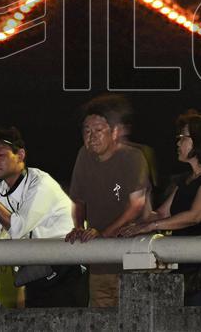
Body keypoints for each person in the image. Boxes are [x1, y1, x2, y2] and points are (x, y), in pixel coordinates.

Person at [122, 111, 201, 306]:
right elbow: (160, 214)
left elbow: (195, 216)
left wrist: (151, 226)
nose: (178, 142)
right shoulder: (186, 178)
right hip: (183, 263)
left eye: (183, 137)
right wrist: (144, 188)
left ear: (200, 141)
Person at [0, 127, 87, 306]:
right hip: (37, 270)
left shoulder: (40, 183)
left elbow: (17, 228)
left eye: (1, 155)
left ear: (20, 155)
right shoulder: (2, 189)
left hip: (65, 268)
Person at [65, 94, 150, 307]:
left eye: (98, 130)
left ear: (114, 132)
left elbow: (136, 205)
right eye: (86, 130)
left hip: (131, 258)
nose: (91, 136)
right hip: (100, 261)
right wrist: (77, 227)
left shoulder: (133, 157)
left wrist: (104, 234)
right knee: (100, 319)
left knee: (135, 316)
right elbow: (78, 200)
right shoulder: (83, 156)